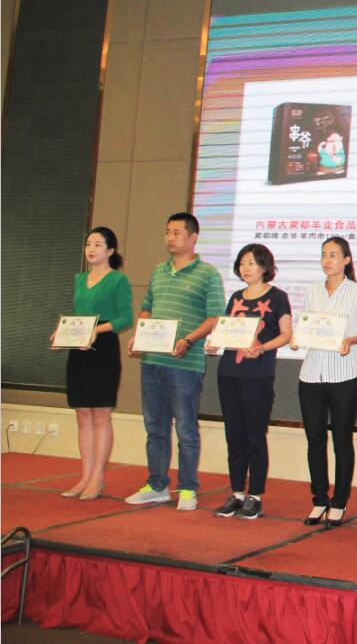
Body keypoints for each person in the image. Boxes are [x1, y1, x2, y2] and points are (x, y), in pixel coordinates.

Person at [125, 213, 225, 512]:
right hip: (152, 360)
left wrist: (189, 340)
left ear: (193, 237)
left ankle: (187, 488)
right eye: (167, 232)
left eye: (177, 232)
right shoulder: (159, 271)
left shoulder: (208, 273)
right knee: (154, 426)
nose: (170, 237)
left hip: (186, 364)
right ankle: (157, 485)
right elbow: (147, 308)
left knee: (185, 427)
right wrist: (139, 335)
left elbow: (215, 316)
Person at [199, 244, 292, 520]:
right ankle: (237, 492)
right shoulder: (236, 297)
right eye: (242, 263)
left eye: (251, 263)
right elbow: (227, 330)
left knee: (255, 435)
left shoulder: (278, 297)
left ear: (265, 266)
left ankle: (256, 496)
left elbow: (286, 334)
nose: (245, 268)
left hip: (258, 375)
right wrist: (214, 342)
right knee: (234, 435)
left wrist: (262, 348)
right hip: (229, 372)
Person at [294, 236, 357, 528]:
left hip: (343, 376)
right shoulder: (312, 291)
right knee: (314, 440)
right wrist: (297, 338)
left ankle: (339, 502)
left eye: (333, 255)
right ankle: (319, 499)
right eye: (323, 255)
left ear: (346, 260)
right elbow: (306, 326)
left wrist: (349, 340)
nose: (327, 260)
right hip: (311, 375)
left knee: (342, 440)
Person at [53, 227, 133, 501]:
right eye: (89, 243)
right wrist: (62, 333)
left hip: (103, 348)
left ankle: (97, 478)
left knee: (100, 413)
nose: (91, 249)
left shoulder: (118, 280)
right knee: (82, 414)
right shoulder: (80, 278)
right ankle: (85, 476)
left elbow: (125, 319)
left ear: (110, 250)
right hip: (80, 349)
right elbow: (78, 316)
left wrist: (95, 330)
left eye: (98, 244)